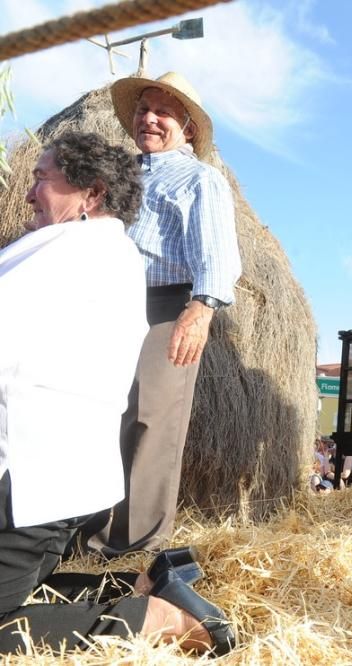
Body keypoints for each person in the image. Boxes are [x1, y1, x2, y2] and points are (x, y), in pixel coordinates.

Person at [0, 132, 234, 655]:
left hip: (27, 486)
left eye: (42, 178)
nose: (29, 192)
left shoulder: (67, 252)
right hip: (57, 487)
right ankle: (138, 585)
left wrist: (203, 306)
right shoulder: (111, 253)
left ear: (93, 194)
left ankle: (153, 617)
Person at [78, 72, 242, 557]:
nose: (149, 118)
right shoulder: (119, 176)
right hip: (110, 306)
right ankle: (86, 538)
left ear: (187, 128)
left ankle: (136, 548)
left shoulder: (200, 179)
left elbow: (218, 255)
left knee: (152, 419)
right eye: (143, 109)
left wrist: (201, 309)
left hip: (167, 307)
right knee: (103, 414)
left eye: (163, 112)